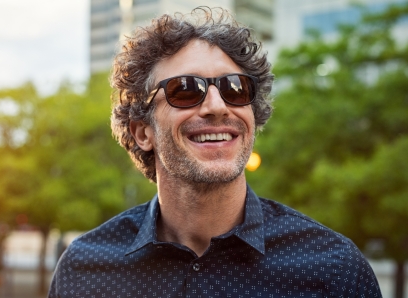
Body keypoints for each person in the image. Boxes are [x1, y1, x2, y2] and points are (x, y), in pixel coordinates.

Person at [48, 7, 382, 297]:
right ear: (143, 132)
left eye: (235, 88)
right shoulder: (84, 272)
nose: (216, 106)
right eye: (184, 90)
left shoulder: (335, 271)